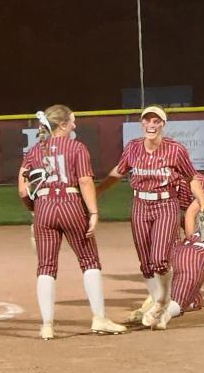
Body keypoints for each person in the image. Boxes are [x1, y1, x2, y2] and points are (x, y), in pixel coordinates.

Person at [96, 105, 204, 327]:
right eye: (147, 121)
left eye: (156, 121)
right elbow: (117, 173)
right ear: (142, 124)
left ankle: (162, 301)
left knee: (159, 259)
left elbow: (191, 178)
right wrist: (97, 191)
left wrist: (203, 203)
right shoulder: (133, 148)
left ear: (162, 125)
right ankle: (156, 304)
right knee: (146, 261)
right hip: (140, 203)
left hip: (166, 203)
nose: (151, 125)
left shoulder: (175, 150)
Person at [18, 105, 127, 339]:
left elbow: (22, 190)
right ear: (63, 124)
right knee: (89, 261)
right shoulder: (76, 147)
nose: (75, 125)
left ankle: (47, 325)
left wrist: (33, 209)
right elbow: (85, 181)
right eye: (72, 121)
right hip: (70, 204)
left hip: (44, 207)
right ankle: (99, 318)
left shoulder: (34, 151)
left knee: (46, 267)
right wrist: (94, 212)